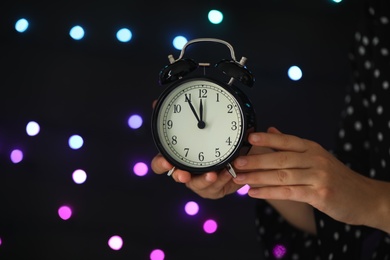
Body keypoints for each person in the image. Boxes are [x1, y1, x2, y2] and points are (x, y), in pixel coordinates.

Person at [151, 0, 390, 259]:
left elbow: (363, 202)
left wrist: (375, 202)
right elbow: (344, 220)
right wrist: (254, 161)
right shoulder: (376, 18)